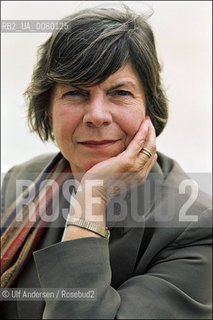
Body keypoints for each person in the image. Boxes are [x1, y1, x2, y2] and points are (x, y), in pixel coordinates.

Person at [0, 4, 212, 319]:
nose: (97, 115)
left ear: (149, 108)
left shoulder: (193, 228)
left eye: (120, 93)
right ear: (47, 108)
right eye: (75, 93)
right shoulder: (20, 183)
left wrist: (92, 200)